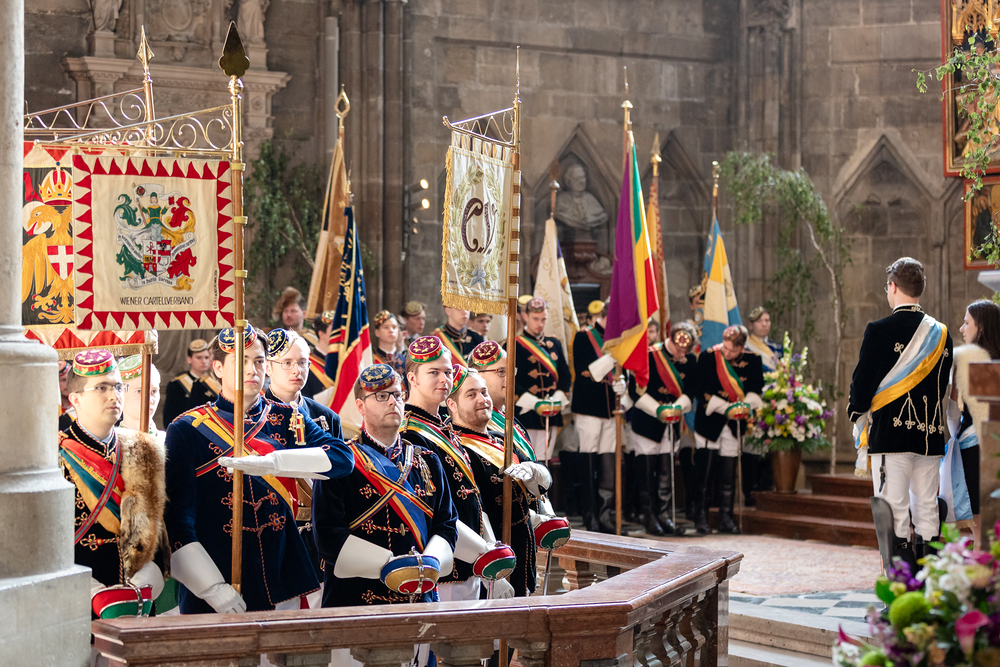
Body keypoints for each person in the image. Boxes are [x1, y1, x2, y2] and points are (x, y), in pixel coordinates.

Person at [163, 325, 354, 614]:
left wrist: (276, 462)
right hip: (215, 577)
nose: (253, 370)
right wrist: (210, 586)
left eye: (259, 360)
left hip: (280, 577)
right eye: (242, 361)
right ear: (217, 368)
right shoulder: (187, 429)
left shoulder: (287, 419)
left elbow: (342, 458)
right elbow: (177, 519)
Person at [312, 364, 458, 607]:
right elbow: (327, 536)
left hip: (419, 598)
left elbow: (447, 524)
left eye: (398, 394)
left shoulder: (428, 460)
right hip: (356, 601)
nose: (393, 402)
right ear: (360, 406)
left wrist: (427, 565)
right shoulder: (341, 463)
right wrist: (392, 566)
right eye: (381, 396)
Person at [848, 258, 953, 571]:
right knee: (928, 509)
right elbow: (941, 388)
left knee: (893, 511)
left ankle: (899, 587)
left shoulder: (878, 331)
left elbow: (862, 386)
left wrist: (857, 413)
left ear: (892, 287)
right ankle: (929, 585)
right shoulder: (942, 334)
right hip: (930, 437)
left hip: (890, 437)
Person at [59, 350, 166, 617]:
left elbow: (158, 535)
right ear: (75, 399)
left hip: (137, 600)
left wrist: (142, 583)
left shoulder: (144, 450)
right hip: (76, 600)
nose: (114, 395)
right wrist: (93, 592)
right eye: (101, 388)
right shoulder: (54, 456)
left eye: (118, 387)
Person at [448, 367, 546, 597]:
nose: (482, 399)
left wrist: (536, 474)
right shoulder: (455, 448)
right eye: (471, 394)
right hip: (487, 560)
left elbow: (539, 487)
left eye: (484, 392)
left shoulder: (502, 439)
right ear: (452, 404)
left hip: (521, 553)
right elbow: (471, 512)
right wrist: (491, 570)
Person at [264, 328, 344, 600]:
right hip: (274, 530)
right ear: (268, 368)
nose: (296, 370)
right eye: (287, 363)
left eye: (302, 362)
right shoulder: (252, 417)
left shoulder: (327, 418)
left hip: (320, 535)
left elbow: (338, 484)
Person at [691, 325, 764, 535]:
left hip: (734, 425)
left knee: (728, 475)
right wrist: (726, 408)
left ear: (742, 348)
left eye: (732, 350)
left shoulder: (753, 360)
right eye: (725, 347)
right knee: (705, 475)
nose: (727, 352)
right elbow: (699, 389)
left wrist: (743, 407)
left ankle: (726, 518)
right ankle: (701, 518)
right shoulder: (708, 357)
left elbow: (756, 389)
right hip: (709, 423)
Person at [628, 324, 696, 536]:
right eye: (678, 349)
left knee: (667, 472)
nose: (681, 354)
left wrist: (676, 408)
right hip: (647, 421)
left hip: (671, 422)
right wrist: (658, 410)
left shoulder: (690, 360)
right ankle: (649, 517)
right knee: (647, 474)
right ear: (670, 339)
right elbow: (635, 391)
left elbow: (690, 390)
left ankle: (665, 515)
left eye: (685, 351)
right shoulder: (649, 355)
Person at [943, 300, 1000, 545]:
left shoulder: (965, 362)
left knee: (979, 534)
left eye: (967, 323)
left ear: (982, 328)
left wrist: (956, 435)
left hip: (974, 450)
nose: (961, 328)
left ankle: (981, 569)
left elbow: (953, 415)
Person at [570, 300, 627, 533]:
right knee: (589, 463)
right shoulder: (583, 337)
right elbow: (589, 372)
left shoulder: (620, 341)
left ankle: (606, 515)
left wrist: (624, 386)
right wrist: (613, 355)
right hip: (589, 409)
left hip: (612, 410)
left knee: (608, 465)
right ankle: (590, 515)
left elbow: (624, 372)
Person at [514, 297, 572, 465]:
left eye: (544, 319)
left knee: (545, 461)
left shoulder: (554, 343)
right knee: (527, 462)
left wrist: (556, 400)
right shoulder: (514, 345)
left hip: (551, 413)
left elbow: (565, 376)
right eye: (535, 319)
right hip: (526, 414)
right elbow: (511, 382)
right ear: (525, 316)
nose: (540, 324)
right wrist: (535, 403)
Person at [162, 338, 220, 426]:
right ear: (189, 359)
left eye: (206, 357)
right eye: (199, 358)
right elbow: (169, 417)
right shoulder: (177, 384)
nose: (204, 361)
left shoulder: (214, 381)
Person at [118, 355, 163, 438]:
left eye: (153, 391)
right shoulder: (110, 444)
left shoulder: (168, 440)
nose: (149, 400)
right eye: (139, 391)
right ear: (120, 394)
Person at [302, 310, 335, 400]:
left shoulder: (343, 362)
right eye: (334, 331)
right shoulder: (305, 365)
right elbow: (302, 401)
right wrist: (329, 394)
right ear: (321, 334)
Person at [745, 306, 781, 371]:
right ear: (751, 325)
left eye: (767, 320)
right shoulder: (745, 346)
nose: (764, 324)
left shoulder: (778, 349)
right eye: (759, 321)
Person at [372, 310, 407, 375]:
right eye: (386, 327)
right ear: (377, 332)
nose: (391, 330)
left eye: (394, 327)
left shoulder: (406, 362)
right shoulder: (371, 360)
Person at [58, 359, 76, 430]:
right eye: (63, 380)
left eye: (70, 379)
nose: (68, 384)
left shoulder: (81, 405)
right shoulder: (51, 408)